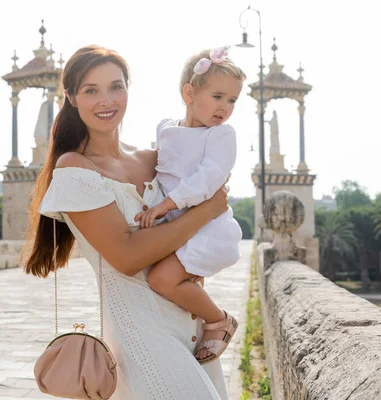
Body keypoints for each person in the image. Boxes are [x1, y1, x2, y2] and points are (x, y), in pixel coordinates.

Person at [23, 45, 231, 399]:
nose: (107, 100)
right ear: (71, 97)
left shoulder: (156, 158)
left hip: (194, 328)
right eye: (91, 90)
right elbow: (127, 257)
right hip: (140, 333)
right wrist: (205, 211)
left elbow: (212, 205)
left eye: (116, 87)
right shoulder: (75, 168)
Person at [134, 46, 246, 364]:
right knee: (173, 281)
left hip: (208, 227)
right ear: (189, 92)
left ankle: (219, 320)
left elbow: (207, 178)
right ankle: (194, 325)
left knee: (161, 279)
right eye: (218, 96)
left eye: (232, 100)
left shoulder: (221, 136)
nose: (225, 107)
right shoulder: (166, 128)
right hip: (179, 224)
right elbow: (159, 163)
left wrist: (166, 205)